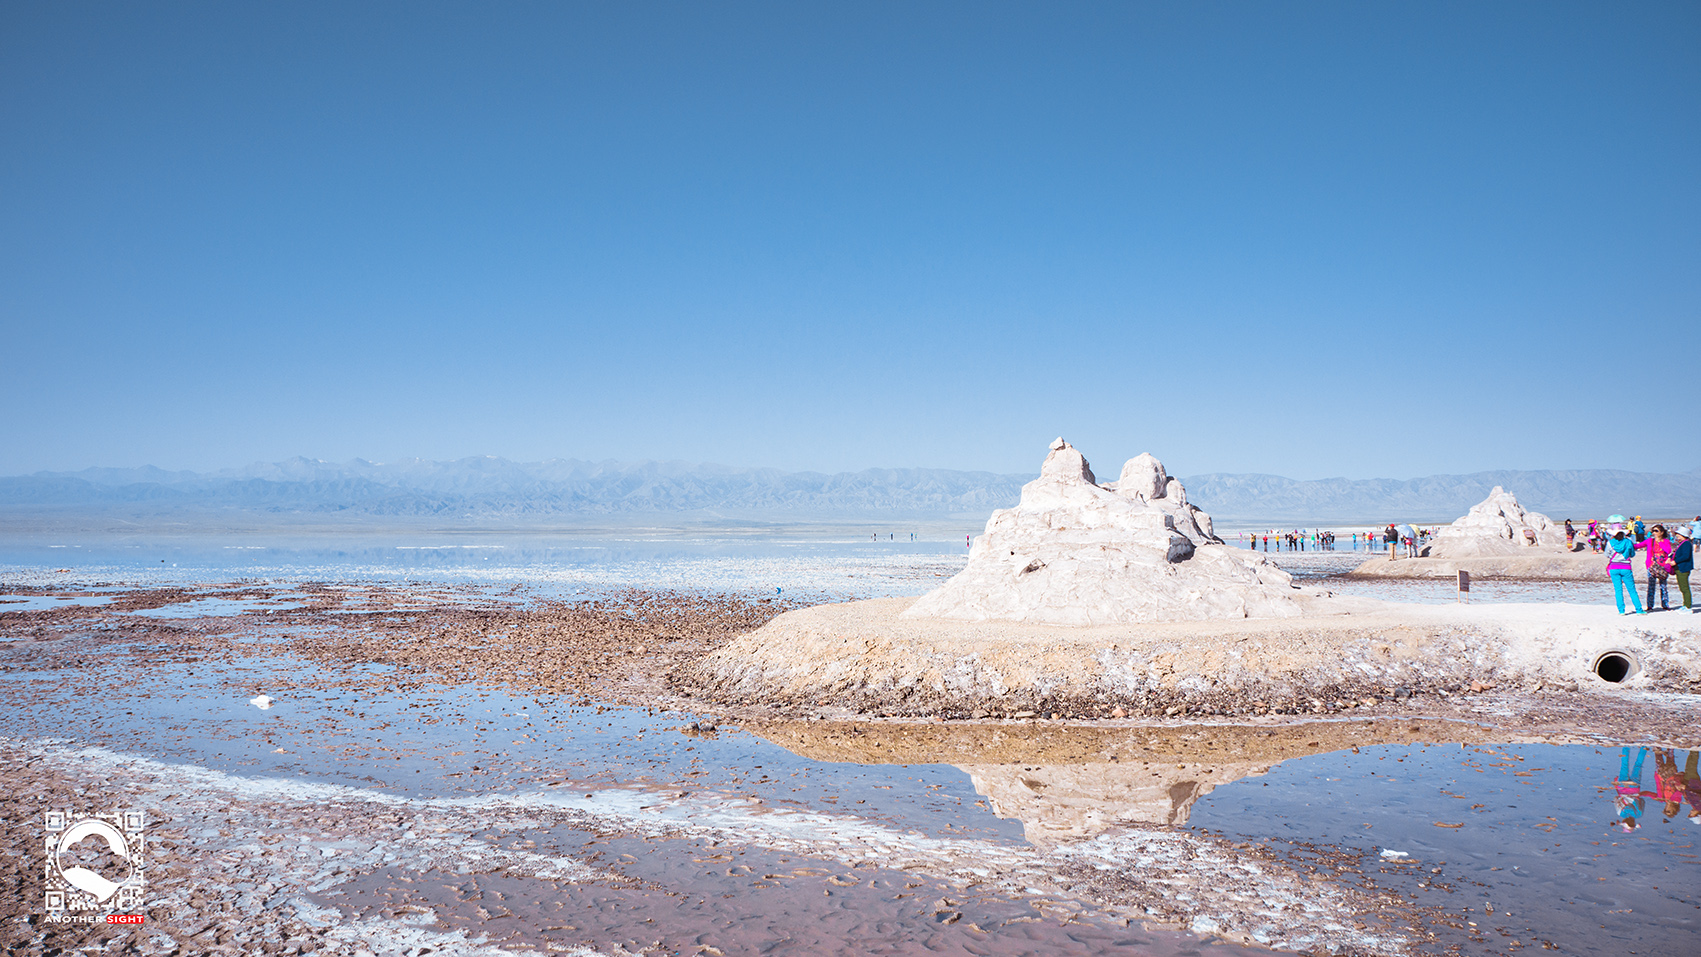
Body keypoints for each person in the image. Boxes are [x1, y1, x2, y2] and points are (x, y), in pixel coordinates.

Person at [1605, 521, 1645, 615]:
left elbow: (1606, 554)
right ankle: (1639, 609)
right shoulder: (1628, 542)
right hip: (1626, 567)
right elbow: (1633, 554)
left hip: (1614, 567)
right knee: (1631, 589)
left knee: (1618, 589)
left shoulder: (1610, 543)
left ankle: (1621, 610)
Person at [1613, 746, 1649, 831]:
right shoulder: (1620, 813)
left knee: (1638, 765)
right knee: (1624, 765)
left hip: (1634, 788)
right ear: (1624, 822)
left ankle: (1644, 747)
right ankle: (1625, 746)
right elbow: (1615, 798)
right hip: (1622, 787)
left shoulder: (1639, 814)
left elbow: (1643, 801)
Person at [1645, 525, 1675, 611]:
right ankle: (1650, 606)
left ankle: (1665, 604)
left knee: (1663, 586)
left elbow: (1669, 551)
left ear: (1661, 532)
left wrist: (1660, 542)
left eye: (1656, 531)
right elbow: (1637, 546)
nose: (1654, 533)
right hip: (1652, 566)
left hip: (1662, 566)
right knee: (1651, 586)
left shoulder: (1666, 541)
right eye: (1652, 531)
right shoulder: (1650, 541)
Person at [1674, 525, 1695, 612]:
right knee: (1682, 587)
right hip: (1680, 568)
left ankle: (1688, 606)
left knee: (1685, 587)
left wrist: (1675, 561)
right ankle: (1685, 604)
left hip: (1683, 568)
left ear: (1683, 535)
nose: (1677, 536)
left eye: (1679, 534)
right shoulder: (1682, 543)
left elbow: (1685, 556)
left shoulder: (1686, 544)